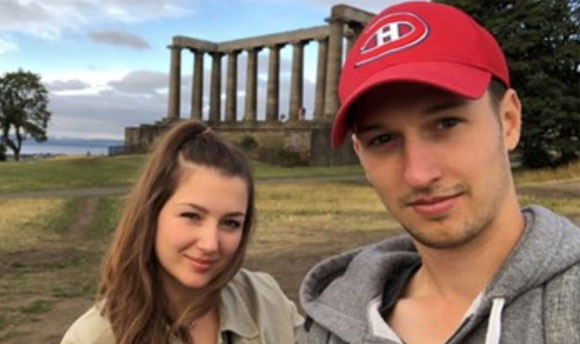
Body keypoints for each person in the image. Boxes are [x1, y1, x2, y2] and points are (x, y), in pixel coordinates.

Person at [299, 2, 580, 344]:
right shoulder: (329, 324)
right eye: (383, 139)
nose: (419, 174)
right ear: (360, 155)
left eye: (446, 124)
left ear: (509, 121)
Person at [61, 120, 303, 343]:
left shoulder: (266, 300)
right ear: (151, 213)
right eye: (191, 216)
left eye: (231, 223)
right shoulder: (92, 337)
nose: (210, 244)